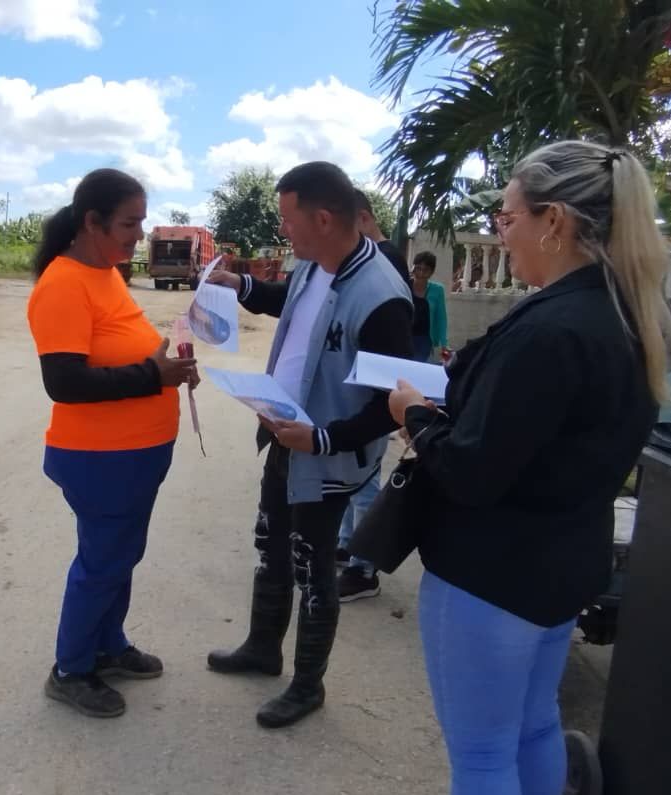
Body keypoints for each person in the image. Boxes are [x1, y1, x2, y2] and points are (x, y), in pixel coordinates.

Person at [387, 141, 671, 795]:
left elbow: (472, 471)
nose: (500, 235)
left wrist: (415, 416)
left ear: (555, 221)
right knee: (534, 726)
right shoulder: (628, 316)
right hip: (561, 563)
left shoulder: (551, 329)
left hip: (491, 573)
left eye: (507, 219)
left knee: (483, 753)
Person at [205, 162, 413, 728]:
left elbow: (391, 404)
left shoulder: (382, 296)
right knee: (270, 543)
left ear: (322, 219)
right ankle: (262, 647)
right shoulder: (313, 265)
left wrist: (322, 438)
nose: (282, 230)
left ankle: (306, 685)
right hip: (285, 434)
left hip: (327, 457)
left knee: (311, 565)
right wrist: (243, 287)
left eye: (287, 219)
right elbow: (292, 302)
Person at [27, 169, 198, 719]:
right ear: (92, 222)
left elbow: (121, 349)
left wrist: (167, 364)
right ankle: (71, 669)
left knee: (121, 554)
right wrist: (153, 376)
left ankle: (107, 644)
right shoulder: (63, 284)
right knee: (102, 561)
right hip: (100, 457)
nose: (140, 235)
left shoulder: (105, 274)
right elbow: (65, 382)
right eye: (129, 223)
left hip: (136, 452)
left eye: (141, 222)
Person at [334, 188, 415, 602]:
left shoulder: (385, 260)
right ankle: (348, 545)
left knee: (365, 481)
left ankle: (364, 568)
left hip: (377, 388)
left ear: (363, 219)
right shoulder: (376, 258)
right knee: (354, 480)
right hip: (366, 381)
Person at [410, 251, 448, 362]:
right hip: (405, 337)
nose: (421, 273)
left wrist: (444, 344)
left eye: (426, 270)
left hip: (424, 339)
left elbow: (441, 318)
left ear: (431, 272)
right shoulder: (405, 285)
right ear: (413, 268)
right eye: (418, 268)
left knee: (418, 366)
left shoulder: (437, 290)